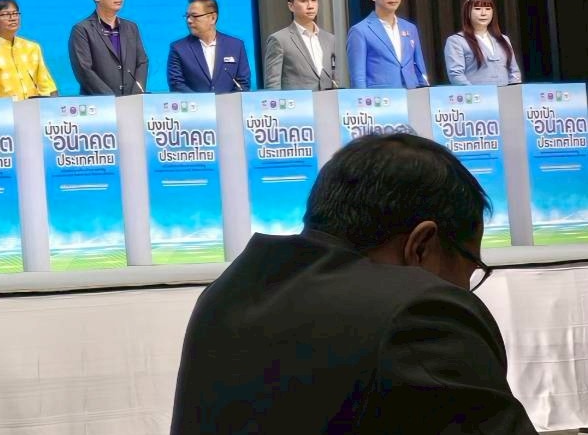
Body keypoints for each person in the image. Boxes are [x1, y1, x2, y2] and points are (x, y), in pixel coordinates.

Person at [171, 132, 535, 434]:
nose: (464, 289)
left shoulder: (223, 295)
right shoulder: (421, 313)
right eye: (470, 270)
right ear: (421, 246)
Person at [68, 0, 149, 96]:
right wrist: (111, 100)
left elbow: (142, 62)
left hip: (132, 101)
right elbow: (84, 70)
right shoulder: (82, 30)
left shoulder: (131, 27)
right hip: (99, 104)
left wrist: (136, 96)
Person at [347, 0, 430, 88]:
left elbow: (420, 68)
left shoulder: (410, 28)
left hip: (412, 94)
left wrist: (424, 90)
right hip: (381, 97)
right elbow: (358, 78)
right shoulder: (360, 31)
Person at [0, 0, 58, 99]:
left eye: (15, 13)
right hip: (3, 109)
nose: (13, 18)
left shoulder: (32, 48)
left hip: (34, 107)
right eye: (6, 14)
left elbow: (47, 87)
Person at [263, 0, 339, 90]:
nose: (310, 6)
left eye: (313, 0)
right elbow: (272, 85)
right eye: (304, 1)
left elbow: (334, 78)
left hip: (327, 99)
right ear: (291, 6)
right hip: (296, 100)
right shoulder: (279, 40)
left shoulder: (329, 39)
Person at [166, 0, 251, 93]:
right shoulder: (179, 48)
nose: (189, 20)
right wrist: (204, 101)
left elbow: (243, 84)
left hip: (229, 103)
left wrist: (226, 101)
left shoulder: (235, 46)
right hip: (193, 103)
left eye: (194, 16)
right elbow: (177, 84)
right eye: (187, 16)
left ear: (213, 18)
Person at [444, 0, 523, 86]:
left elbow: (514, 71)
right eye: (477, 9)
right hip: (475, 95)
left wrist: (513, 91)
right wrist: (477, 93)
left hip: (506, 94)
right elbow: (456, 75)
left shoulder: (503, 39)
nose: (483, 13)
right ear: (467, 12)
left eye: (488, 9)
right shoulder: (456, 41)